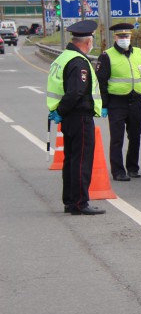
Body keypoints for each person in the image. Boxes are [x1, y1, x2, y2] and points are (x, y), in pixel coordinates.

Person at [46, 19, 105, 215]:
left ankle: (70, 201)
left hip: (69, 118)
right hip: (79, 116)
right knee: (81, 160)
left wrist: (59, 112)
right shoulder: (79, 61)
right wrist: (62, 111)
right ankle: (80, 203)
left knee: (70, 160)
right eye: (92, 40)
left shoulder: (64, 57)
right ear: (87, 42)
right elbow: (75, 92)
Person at [95, 22, 141, 181]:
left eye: (126, 36)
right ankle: (118, 171)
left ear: (130, 37)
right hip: (116, 103)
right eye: (121, 36)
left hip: (135, 101)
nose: (124, 39)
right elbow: (101, 82)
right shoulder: (106, 56)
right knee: (117, 138)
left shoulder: (140, 53)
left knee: (135, 136)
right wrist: (104, 105)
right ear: (115, 37)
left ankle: (133, 168)